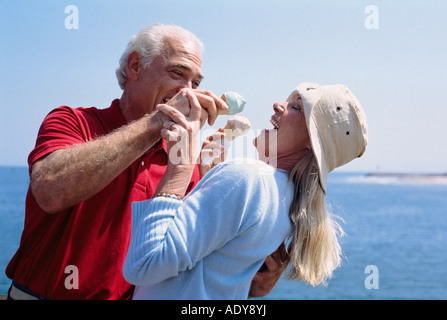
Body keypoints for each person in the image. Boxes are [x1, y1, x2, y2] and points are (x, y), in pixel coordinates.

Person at [5, 24, 281, 300]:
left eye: (195, 83)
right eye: (177, 73)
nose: (189, 92)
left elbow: (187, 265)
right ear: (135, 66)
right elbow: (51, 191)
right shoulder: (73, 122)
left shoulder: (183, 164)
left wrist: (254, 275)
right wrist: (158, 121)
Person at [123, 82, 368, 299]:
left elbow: (144, 265)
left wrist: (181, 167)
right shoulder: (287, 198)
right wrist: (210, 180)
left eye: (296, 108)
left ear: (311, 143)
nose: (277, 105)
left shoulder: (247, 178)